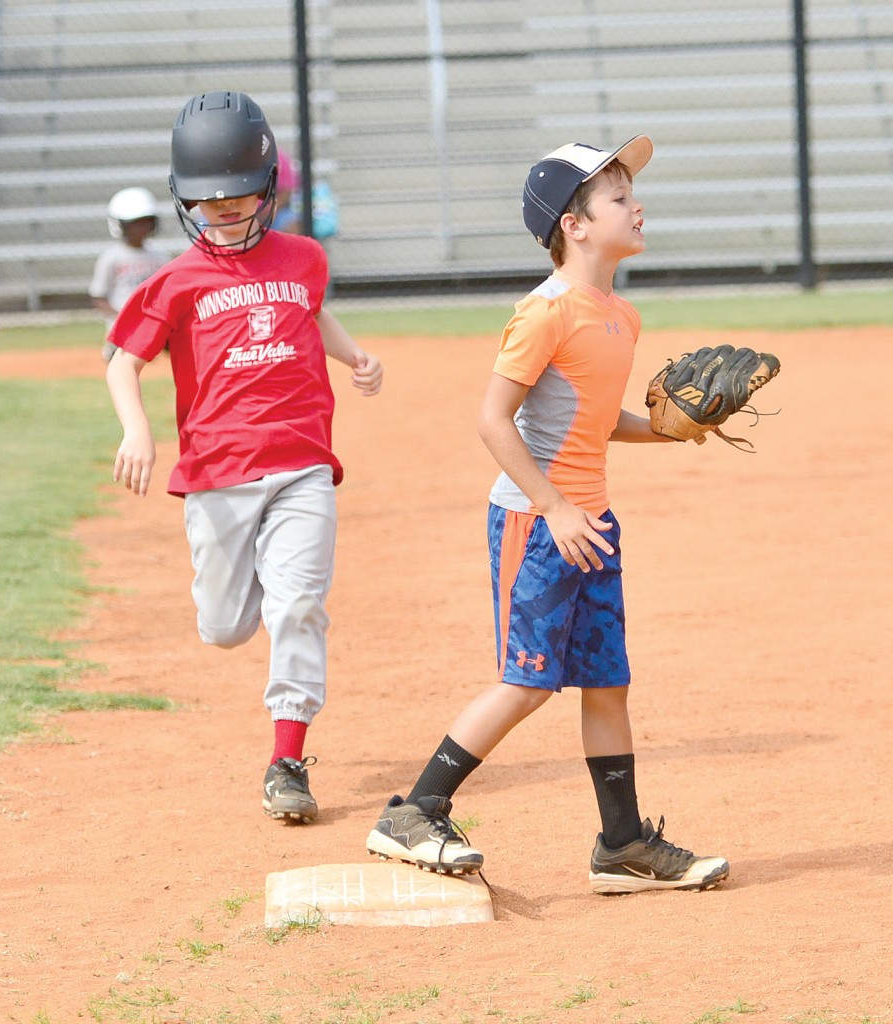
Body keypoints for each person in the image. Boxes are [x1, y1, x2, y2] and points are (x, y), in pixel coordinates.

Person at [365, 138, 730, 894]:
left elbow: (592, 419)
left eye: (631, 192)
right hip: (538, 525)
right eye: (618, 196)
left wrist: (667, 429)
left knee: (607, 681)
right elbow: (494, 420)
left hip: (589, 521)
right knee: (527, 680)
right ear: (576, 224)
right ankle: (415, 810)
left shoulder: (619, 315)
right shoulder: (545, 313)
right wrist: (554, 506)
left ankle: (621, 844)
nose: (637, 205)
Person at [104, 91, 383, 825]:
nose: (224, 210)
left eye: (238, 197)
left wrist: (356, 358)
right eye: (207, 201)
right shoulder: (173, 282)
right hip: (217, 476)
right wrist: (137, 431)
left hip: (301, 465)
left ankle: (286, 759)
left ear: (268, 189)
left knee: (298, 606)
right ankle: (256, 576)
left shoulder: (304, 258)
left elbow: (310, 308)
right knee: (224, 627)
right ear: (182, 199)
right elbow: (120, 364)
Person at [89, 187, 168, 362]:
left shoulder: (160, 257)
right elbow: (98, 297)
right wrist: (123, 317)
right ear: (120, 225)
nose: (141, 228)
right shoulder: (111, 258)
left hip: (152, 324)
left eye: (146, 222)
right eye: (134, 223)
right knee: (121, 360)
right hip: (121, 328)